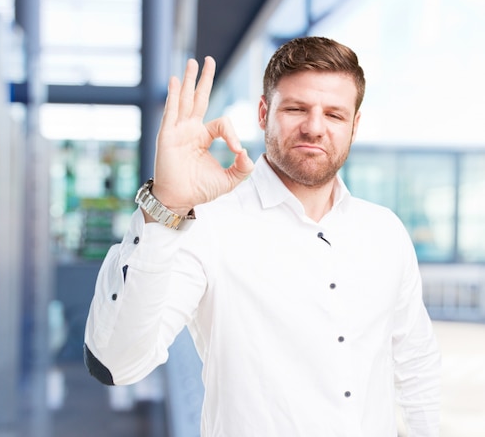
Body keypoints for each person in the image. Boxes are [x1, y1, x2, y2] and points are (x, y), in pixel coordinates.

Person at [84, 36, 441, 436]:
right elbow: (117, 361)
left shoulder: (385, 231)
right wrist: (164, 204)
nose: (314, 127)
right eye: (296, 108)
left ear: (354, 126)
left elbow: (416, 364)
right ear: (263, 112)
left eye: (334, 115)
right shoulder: (207, 224)